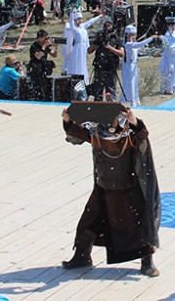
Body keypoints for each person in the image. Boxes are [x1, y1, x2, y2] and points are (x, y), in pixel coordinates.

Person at [60, 103, 161, 276]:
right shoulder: (96, 133)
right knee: (88, 223)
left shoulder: (129, 134)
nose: (109, 121)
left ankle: (147, 262)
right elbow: (76, 135)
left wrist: (135, 122)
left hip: (129, 189)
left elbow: (142, 137)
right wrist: (68, 121)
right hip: (104, 188)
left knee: (139, 227)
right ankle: (81, 257)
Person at [87, 17, 124, 100]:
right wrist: (95, 45)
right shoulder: (100, 38)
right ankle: (97, 105)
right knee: (98, 91)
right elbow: (89, 51)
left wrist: (110, 48)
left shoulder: (116, 38)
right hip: (99, 67)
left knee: (110, 90)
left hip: (110, 68)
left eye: (109, 26)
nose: (107, 28)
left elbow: (122, 53)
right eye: (105, 26)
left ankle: (111, 105)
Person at [62, 11, 104, 83]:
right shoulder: (74, 28)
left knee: (83, 63)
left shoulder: (83, 27)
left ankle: (84, 80)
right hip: (77, 47)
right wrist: (71, 12)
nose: (80, 20)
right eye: (78, 19)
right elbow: (71, 22)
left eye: (81, 19)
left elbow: (90, 22)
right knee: (77, 62)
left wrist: (99, 16)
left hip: (83, 47)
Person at [121, 25, 157, 106]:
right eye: (132, 35)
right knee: (129, 84)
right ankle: (129, 100)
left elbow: (139, 47)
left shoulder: (132, 44)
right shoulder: (127, 44)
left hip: (133, 66)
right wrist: (151, 38)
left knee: (134, 84)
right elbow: (138, 45)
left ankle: (135, 100)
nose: (134, 37)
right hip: (128, 67)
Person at [158, 15, 175, 94]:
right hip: (169, 58)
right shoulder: (167, 35)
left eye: (174, 25)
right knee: (169, 73)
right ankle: (168, 89)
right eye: (172, 25)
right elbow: (170, 48)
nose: (174, 27)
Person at [27, 29, 58, 101]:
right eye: (45, 38)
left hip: (43, 70)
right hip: (35, 70)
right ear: (40, 38)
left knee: (44, 89)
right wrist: (44, 46)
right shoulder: (34, 46)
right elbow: (38, 56)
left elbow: (54, 55)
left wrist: (56, 48)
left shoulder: (45, 47)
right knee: (38, 89)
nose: (46, 40)